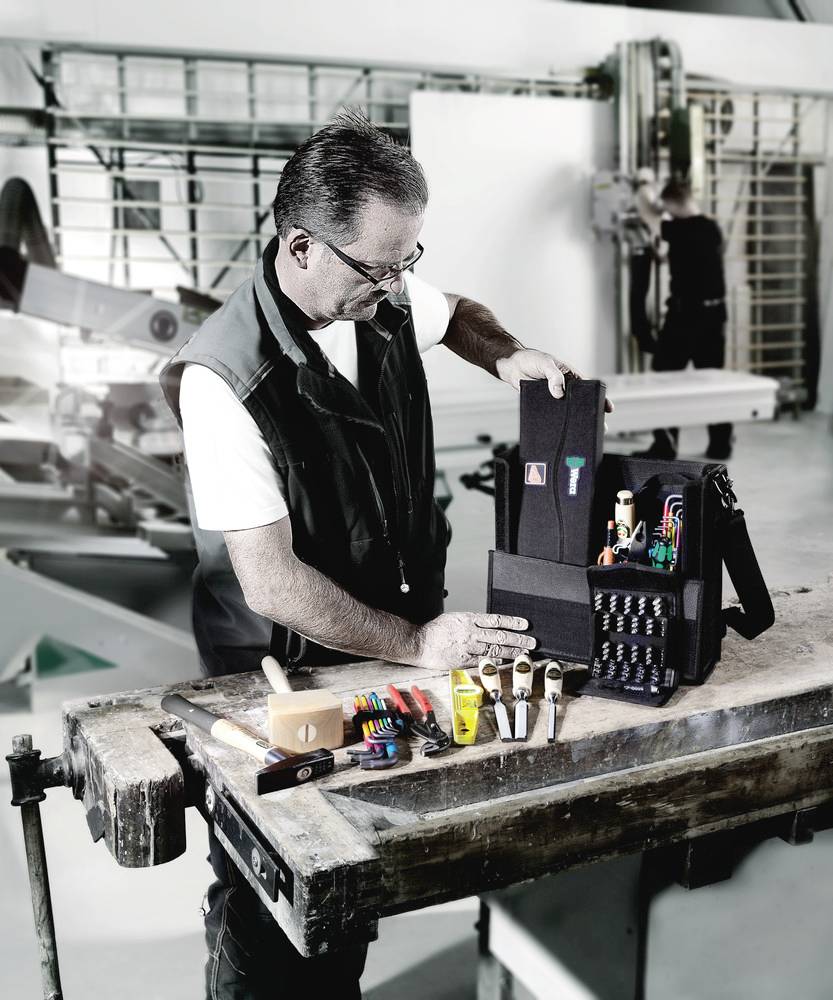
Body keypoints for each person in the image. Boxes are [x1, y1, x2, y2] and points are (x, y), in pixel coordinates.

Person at [160, 110, 608, 999]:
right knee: (278, 894)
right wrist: (414, 643)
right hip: (280, 669)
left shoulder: (377, 289)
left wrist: (506, 356)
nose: (399, 284)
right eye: (380, 267)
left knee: (354, 882)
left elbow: (458, 315)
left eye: (410, 260)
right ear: (300, 248)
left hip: (388, 630)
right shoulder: (224, 381)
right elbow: (271, 583)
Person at [633, 175, 732, 461]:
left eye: (668, 208)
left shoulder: (680, 228)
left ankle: (665, 446)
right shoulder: (710, 228)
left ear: (674, 204)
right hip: (714, 316)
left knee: (664, 379)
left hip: (685, 318)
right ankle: (721, 444)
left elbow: (647, 212)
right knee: (713, 381)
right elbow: (691, 260)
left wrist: (644, 185)